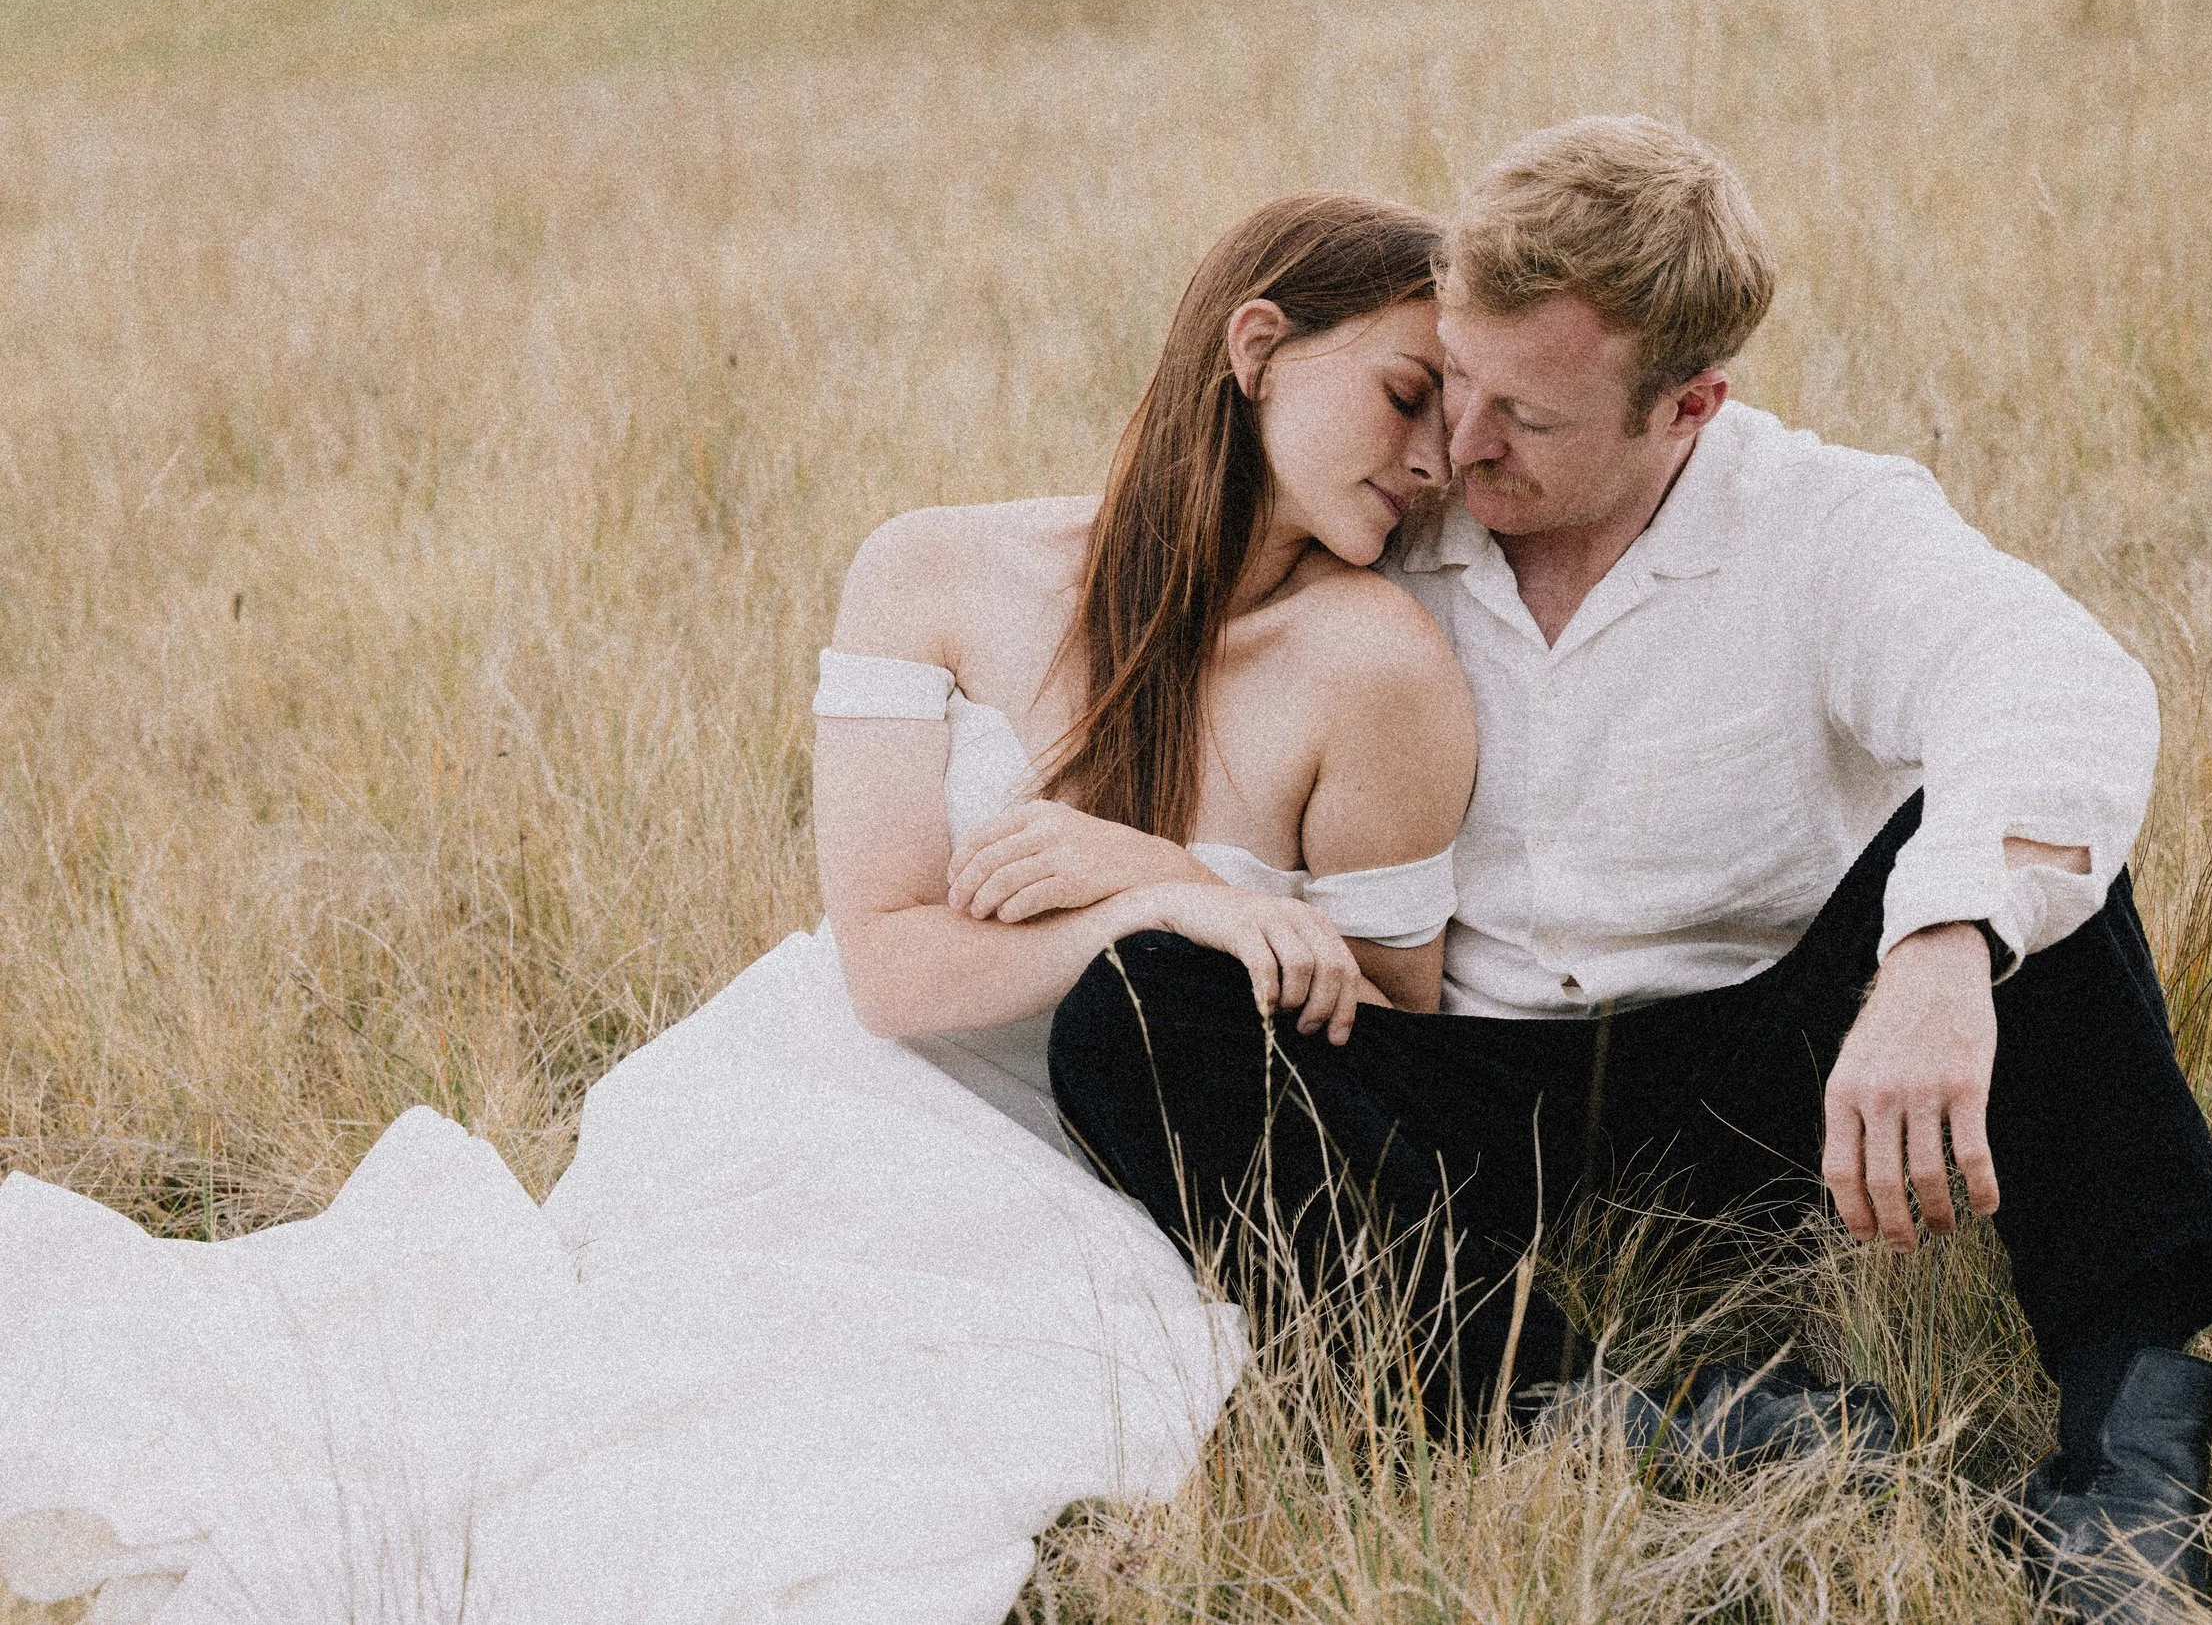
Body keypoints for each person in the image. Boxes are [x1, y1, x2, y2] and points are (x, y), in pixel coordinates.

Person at [0, 192, 1479, 1625]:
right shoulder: (933, 569)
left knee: (806, 1467)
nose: (1433, 460)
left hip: (1093, 1177)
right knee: (557, 1403)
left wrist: (1158, 882)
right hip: (832, 1087)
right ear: (1258, 346)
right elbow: (890, 963)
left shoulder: (1376, 667)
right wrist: (1141, 899)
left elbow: (1394, 1029)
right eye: (1407, 394)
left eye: (1457, 427)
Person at [1050, 119, 2212, 1625]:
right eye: (1455, 381)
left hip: (1772, 1078)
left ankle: (2126, 1459)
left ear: (1689, 405)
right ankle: (1567, 1403)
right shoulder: (1389, 509)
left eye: (1528, 418)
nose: (1462, 444)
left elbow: (2055, 677)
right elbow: (1132, 564)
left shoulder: (1821, 522)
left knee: (2025, 859)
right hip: (1466, 1091)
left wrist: (1945, 944)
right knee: (1141, 1010)